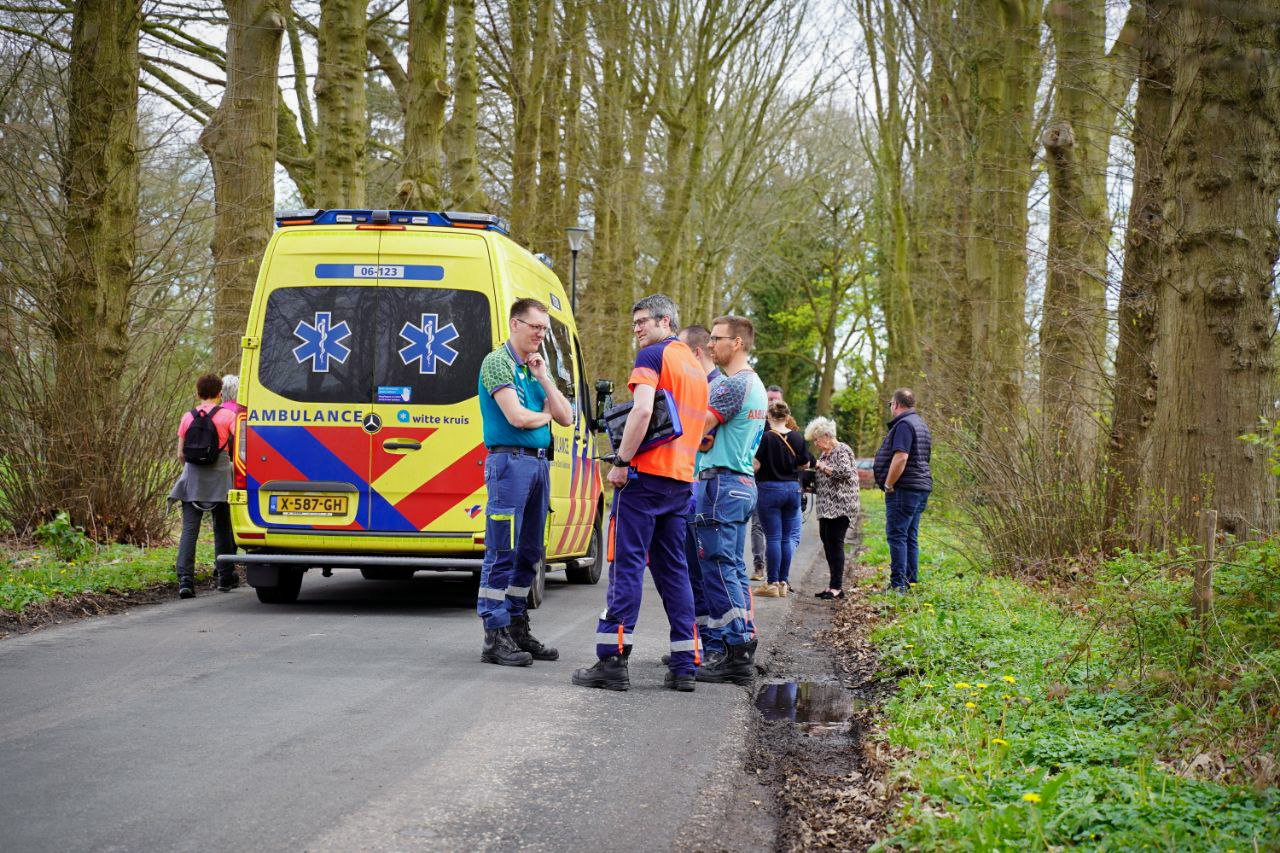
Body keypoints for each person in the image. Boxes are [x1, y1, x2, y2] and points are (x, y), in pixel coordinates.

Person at [572, 294, 708, 693]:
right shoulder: (695, 367)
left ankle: (612, 662)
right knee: (675, 573)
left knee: (626, 566)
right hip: (680, 482)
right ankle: (685, 664)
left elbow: (644, 410)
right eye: (634, 324)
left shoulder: (652, 357)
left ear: (666, 321)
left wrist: (622, 462)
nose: (637, 330)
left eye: (643, 322)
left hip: (645, 478)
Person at [476, 298, 574, 666]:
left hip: (537, 466)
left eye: (545, 329)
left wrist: (545, 379)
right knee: (502, 549)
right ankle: (494, 634)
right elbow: (516, 417)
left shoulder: (535, 369)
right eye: (535, 327)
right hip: (509, 464)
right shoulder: (496, 362)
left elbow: (565, 418)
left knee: (531, 551)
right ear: (515, 324)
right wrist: (544, 414)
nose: (541, 334)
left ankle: (517, 626)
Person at [692, 315, 767, 685]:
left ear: (737, 343)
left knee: (718, 568)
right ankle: (742, 640)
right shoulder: (755, 385)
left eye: (717, 338)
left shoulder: (732, 385)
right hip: (740, 484)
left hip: (721, 484)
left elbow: (694, 429)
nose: (710, 345)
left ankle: (735, 651)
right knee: (733, 567)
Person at [168, 374, 238, 598]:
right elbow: (238, 448)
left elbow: (180, 454)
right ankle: (225, 577)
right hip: (221, 478)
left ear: (197, 393)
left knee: (190, 529)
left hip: (193, 478)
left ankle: (185, 581)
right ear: (220, 393)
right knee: (222, 527)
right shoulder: (229, 415)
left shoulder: (187, 417)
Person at [675, 325, 720, 649]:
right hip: (690, 487)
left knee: (703, 574)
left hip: (701, 490)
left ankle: (710, 642)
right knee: (692, 573)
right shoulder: (701, 387)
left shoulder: (714, 389)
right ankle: (699, 641)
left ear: (695, 353)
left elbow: (702, 440)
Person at [873, 388, 933, 592]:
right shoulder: (921, 424)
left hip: (904, 488)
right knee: (909, 535)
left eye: (891, 404)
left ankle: (898, 584)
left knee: (897, 535)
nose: (891, 407)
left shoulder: (904, 425)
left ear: (896, 404)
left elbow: (901, 457)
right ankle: (910, 581)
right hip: (920, 487)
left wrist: (889, 484)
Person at [754, 400, 810, 598]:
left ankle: (771, 583)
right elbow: (805, 464)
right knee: (786, 538)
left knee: (774, 538)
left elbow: (755, 465)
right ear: (787, 416)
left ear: (769, 417)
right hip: (793, 490)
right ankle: (783, 582)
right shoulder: (797, 437)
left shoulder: (765, 437)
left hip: (769, 489)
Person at [804, 417, 859, 600]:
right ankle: (832, 586)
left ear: (826, 436)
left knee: (836, 544)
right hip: (826, 507)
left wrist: (819, 466)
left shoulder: (841, 450)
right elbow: (825, 481)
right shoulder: (824, 454)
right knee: (827, 544)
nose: (816, 443)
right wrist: (808, 486)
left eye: (816, 439)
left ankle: (837, 587)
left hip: (841, 506)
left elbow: (844, 473)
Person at [749, 385, 786, 580]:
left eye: (775, 399)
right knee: (757, 526)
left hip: (781, 486)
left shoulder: (789, 428)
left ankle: (778, 573)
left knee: (778, 531)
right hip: (758, 481)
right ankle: (759, 566)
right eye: (769, 399)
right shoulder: (757, 423)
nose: (772, 402)